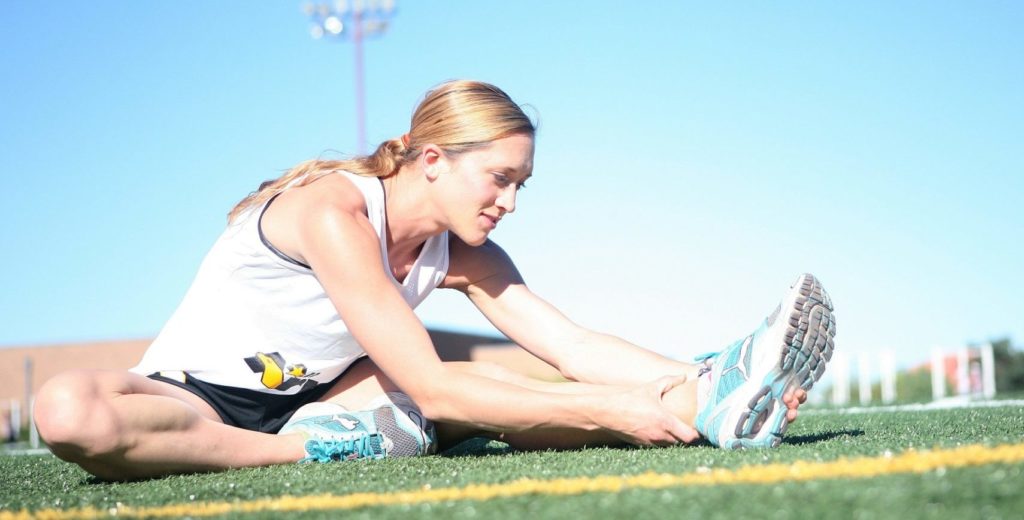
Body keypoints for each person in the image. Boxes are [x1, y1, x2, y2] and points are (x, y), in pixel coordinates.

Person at [33, 80, 836, 480]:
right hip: (193, 399)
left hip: (332, 397)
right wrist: (615, 410)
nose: (510, 202)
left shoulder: (465, 253)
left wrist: (695, 378)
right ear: (430, 160)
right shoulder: (331, 213)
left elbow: (570, 343)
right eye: (499, 178)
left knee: (481, 393)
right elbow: (434, 384)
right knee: (66, 409)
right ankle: (303, 454)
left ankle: (710, 397)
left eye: (522, 184)